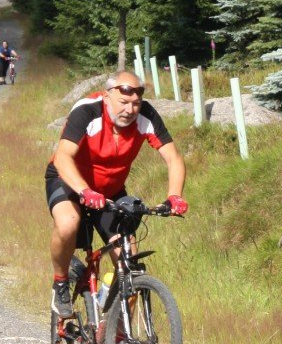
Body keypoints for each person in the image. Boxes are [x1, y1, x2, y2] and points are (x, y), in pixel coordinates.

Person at [45, 71, 187, 318]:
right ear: (107, 96)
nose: (130, 110)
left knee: (129, 266)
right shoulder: (88, 111)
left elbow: (173, 158)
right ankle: (60, 283)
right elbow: (63, 157)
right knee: (68, 223)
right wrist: (85, 191)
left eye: (135, 104)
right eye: (123, 102)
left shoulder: (146, 116)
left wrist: (175, 196)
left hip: (109, 191)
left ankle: (121, 343)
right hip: (68, 180)